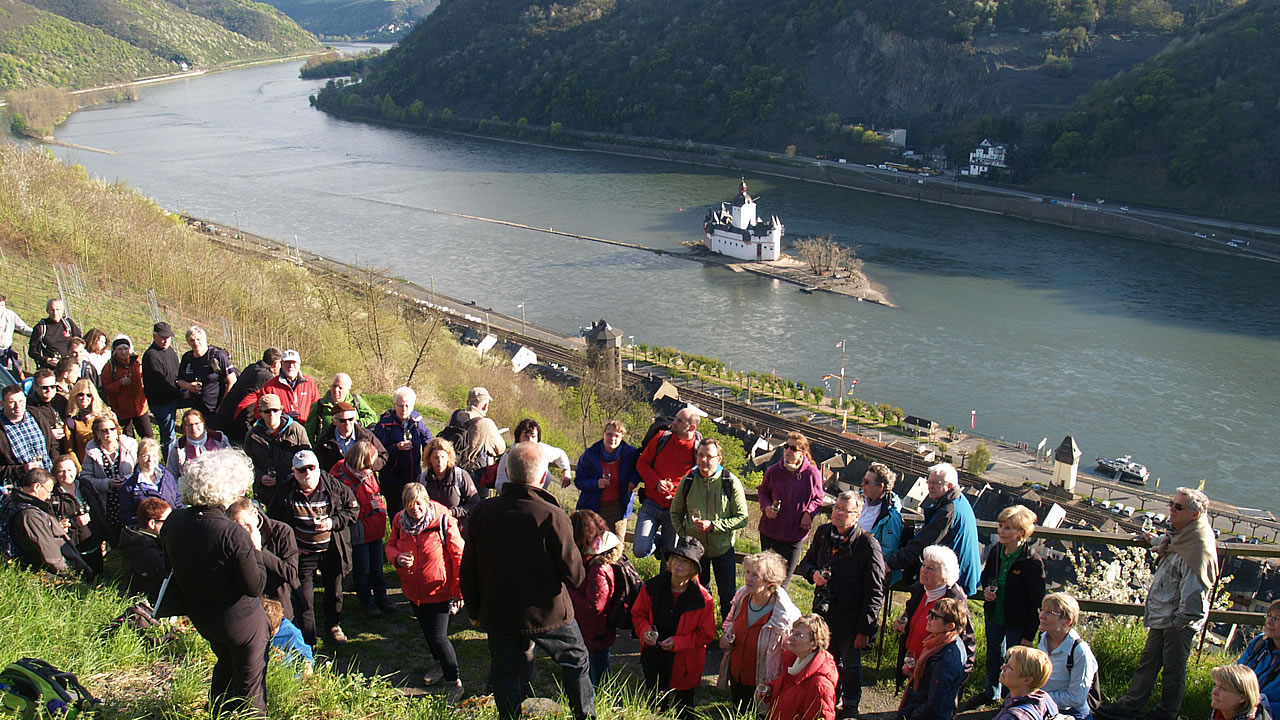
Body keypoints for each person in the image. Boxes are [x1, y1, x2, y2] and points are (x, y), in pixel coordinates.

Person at [460, 441, 595, 720]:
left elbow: (468, 567)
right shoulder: (554, 516)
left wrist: (474, 611)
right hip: (549, 612)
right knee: (576, 660)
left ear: (507, 474)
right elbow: (575, 575)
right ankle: (585, 716)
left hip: (499, 612)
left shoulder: (483, 512)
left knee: (505, 672)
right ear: (543, 477)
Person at [160, 448, 269, 716]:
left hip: (203, 616)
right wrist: (256, 548)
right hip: (241, 623)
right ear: (227, 489)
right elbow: (255, 586)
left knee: (224, 665)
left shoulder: (174, 521)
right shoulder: (232, 533)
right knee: (250, 688)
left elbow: (169, 566)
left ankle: (217, 712)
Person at [1096, 488, 1218, 720]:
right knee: (1148, 663)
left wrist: (1179, 623)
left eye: (1178, 507)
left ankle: (1165, 714)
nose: (1172, 508)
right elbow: (1174, 544)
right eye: (1172, 503)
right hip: (1165, 616)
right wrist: (1156, 540)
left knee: (1173, 671)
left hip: (1177, 621)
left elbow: (1194, 593)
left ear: (1195, 513)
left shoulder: (1198, 547)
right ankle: (1128, 708)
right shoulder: (1186, 536)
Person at [797, 490, 887, 718]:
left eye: (843, 510)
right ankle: (827, 700)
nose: (836, 513)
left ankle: (850, 707)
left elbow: (876, 590)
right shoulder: (824, 533)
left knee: (850, 666)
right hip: (825, 613)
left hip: (851, 616)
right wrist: (813, 574)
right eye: (836, 508)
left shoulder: (867, 545)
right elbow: (806, 562)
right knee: (824, 660)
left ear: (857, 515)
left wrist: (865, 629)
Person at [268, 449, 360, 647]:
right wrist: (291, 546)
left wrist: (332, 522)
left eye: (311, 468)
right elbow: (274, 522)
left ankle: (334, 626)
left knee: (334, 591)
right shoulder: (286, 491)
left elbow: (353, 510)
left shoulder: (334, 487)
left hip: (331, 549)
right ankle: (308, 638)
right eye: (301, 470)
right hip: (303, 553)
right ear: (294, 471)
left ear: (318, 468)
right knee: (304, 598)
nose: (307, 473)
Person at [386, 482, 465, 699]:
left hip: (439, 590)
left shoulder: (443, 520)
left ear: (426, 501)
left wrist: (458, 592)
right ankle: (439, 664)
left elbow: (459, 556)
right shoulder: (400, 521)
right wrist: (397, 558)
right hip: (414, 591)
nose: (415, 509)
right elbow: (390, 545)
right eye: (410, 505)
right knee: (428, 634)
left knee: (439, 637)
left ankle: (454, 680)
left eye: (419, 504)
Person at [633, 535, 717, 714]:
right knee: (655, 704)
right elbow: (638, 614)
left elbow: (706, 634)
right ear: (669, 561)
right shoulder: (652, 587)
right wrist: (645, 631)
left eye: (685, 561)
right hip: (654, 656)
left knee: (683, 708)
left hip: (684, 663)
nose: (679, 564)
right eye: (676, 558)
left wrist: (678, 643)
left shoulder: (704, 600)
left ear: (693, 568)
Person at [975, 505, 1047, 706]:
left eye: (1008, 528)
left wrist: (1029, 634)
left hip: (1017, 621)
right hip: (994, 615)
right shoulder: (997, 551)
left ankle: (1011, 699)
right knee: (993, 657)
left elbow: (1036, 602)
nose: (1001, 532)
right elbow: (987, 575)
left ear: (1021, 533)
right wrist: (986, 592)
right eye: (1000, 526)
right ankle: (991, 693)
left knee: (1014, 663)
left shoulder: (1031, 561)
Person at [670, 437, 748, 618]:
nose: (704, 460)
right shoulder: (688, 480)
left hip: (723, 548)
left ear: (718, 459)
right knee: (698, 594)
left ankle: (727, 635)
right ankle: (701, 632)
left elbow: (742, 518)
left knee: (728, 595)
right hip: (696, 551)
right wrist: (686, 537)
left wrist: (714, 526)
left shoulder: (730, 481)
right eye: (700, 455)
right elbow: (675, 513)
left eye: (709, 456)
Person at [719, 551, 803, 709]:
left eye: (755, 575)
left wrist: (776, 685)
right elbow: (730, 620)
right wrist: (726, 634)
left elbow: (790, 656)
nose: (748, 578)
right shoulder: (742, 596)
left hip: (764, 684)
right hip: (737, 675)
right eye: (748, 572)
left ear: (770, 581)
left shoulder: (785, 616)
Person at [885, 463, 981, 595]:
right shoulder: (957, 500)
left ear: (950, 486)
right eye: (929, 482)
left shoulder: (948, 511)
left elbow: (923, 544)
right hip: (960, 574)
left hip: (954, 580)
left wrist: (890, 564)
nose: (930, 486)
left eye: (936, 483)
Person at [894, 545, 977, 683]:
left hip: (936, 676)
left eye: (931, 568)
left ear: (946, 576)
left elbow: (967, 647)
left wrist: (953, 682)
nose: (923, 571)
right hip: (914, 668)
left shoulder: (954, 603)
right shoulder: (920, 591)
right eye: (923, 565)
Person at [332, 440, 393, 617]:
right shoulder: (341, 476)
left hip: (374, 524)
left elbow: (375, 493)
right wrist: (370, 507)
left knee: (377, 565)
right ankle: (367, 602)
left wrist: (378, 508)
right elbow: (347, 507)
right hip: (358, 527)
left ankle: (382, 599)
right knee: (362, 567)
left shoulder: (366, 473)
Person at [633, 407, 701, 559]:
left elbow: (701, 479)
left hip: (676, 511)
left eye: (679, 421)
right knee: (640, 549)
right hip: (651, 503)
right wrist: (657, 482)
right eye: (675, 418)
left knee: (670, 559)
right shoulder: (661, 438)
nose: (674, 423)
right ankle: (658, 542)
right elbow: (642, 463)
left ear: (692, 427)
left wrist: (680, 497)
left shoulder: (698, 450)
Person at [758, 432, 825, 577]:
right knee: (765, 577)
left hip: (794, 534)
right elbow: (763, 492)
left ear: (803, 453)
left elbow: (819, 498)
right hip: (770, 531)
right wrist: (766, 507)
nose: (788, 451)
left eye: (793, 448)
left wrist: (809, 513)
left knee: (783, 581)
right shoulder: (774, 471)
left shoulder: (812, 474)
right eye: (786, 446)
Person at [569, 519, 626, 687]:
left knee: (600, 671)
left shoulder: (598, 569)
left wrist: (569, 594)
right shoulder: (599, 562)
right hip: (595, 629)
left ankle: (607, 699)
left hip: (595, 630)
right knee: (597, 665)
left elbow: (594, 606)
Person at [4, 468, 91, 577]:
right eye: (48, 491)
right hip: (44, 573)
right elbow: (51, 555)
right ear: (36, 487)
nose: (48, 496)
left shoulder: (12, 501)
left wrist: (54, 527)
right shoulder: (30, 515)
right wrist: (70, 575)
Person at [227, 497, 300, 621]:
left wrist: (259, 550)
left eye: (245, 525)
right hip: (249, 604)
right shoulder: (232, 536)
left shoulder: (282, 531)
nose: (242, 531)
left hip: (279, 600)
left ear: (255, 513)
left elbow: (290, 573)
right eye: (236, 526)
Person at [899, 597, 970, 720]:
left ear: (949, 626)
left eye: (934, 616)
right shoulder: (941, 642)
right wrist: (914, 671)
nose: (928, 618)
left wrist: (912, 714)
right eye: (929, 613)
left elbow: (935, 704)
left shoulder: (946, 659)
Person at [372, 386, 434, 518]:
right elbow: (378, 452)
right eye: (400, 406)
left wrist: (430, 454)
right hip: (392, 481)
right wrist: (396, 448)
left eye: (407, 406)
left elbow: (429, 440)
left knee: (415, 513)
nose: (404, 409)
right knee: (397, 516)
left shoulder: (417, 422)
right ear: (394, 405)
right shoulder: (384, 425)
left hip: (413, 478)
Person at [574, 420, 639, 541]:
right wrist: (596, 483)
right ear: (603, 434)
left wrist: (633, 481)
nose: (612, 438)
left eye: (617, 436)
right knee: (588, 543)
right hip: (592, 506)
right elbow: (579, 481)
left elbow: (641, 466)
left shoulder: (629, 453)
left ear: (622, 438)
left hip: (618, 507)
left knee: (616, 545)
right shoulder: (590, 454)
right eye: (609, 434)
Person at [1037, 593, 1098, 720]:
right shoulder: (1042, 639)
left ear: (1067, 621)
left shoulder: (1080, 652)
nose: (1041, 616)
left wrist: (1040, 697)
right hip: (1043, 707)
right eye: (1042, 610)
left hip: (1071, 712)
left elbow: (1077, 698)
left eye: (1049, 613)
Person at [766, 614, 839, 720]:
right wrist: (770, 688)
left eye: (798, 634)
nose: (790, 638)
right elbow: (788, 688)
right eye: (792, 632)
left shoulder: (819, 686)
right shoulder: (795, 662)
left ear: (814, 643)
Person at [244, 394, 311, 507]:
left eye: (275, 410)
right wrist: (260, 477)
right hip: (266, 492)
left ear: (281, 410)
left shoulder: (296, 430)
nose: (272, 414)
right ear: (260, 413)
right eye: (267, 411)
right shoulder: (252, 435)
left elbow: (307, 459)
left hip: (293, 488)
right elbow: (247, 463)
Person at [49, 453, 109, 576]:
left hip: (93, 541)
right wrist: (69, 522)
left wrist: (105, 536)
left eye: (70, 470)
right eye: (61, 471)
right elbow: (50, 520)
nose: (66, 475)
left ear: (76, 469)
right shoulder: (52, 495)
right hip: (72, 546)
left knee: (99, 576)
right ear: (55, 473)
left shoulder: (85, 485)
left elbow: (99, 510)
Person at [0, 383, 61, 489]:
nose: (18, 406)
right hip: (23, 487)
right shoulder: (2, 429)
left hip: (50, 479)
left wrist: (56, 463)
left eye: (21, 401)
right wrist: (22, 469)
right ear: (2, 404)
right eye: (12, 402)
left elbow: (52, 444)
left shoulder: (36, 415)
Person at [419, 437, 483, 536]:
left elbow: (475, 503)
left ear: (448, 457)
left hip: (458, 530)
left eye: (443, 457)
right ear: (429, 459)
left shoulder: (460, 476)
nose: (440, 461)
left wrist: (452, 512)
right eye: (436, 457)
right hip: (431, 532)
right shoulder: (423, 479)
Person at [215, 348, 281, 441]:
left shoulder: (252, 367)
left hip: (226, 413)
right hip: (238, 420)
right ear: (276, 363)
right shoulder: (266, 376)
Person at [243, 349, 319, 426]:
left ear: (299, 364)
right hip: (280, 433)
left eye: (294, 362)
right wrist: (282, 418)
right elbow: (259, 412)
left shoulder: (309, 384)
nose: (291, 366)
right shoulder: (270, 387)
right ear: (281, 364)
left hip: (306, 432)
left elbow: (317, 408)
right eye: (287, 362)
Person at [117, 437, 182, 527]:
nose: (150, 460)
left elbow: (178, 500)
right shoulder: (131, 487)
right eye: (145, 456)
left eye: (154, 455)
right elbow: (127, 516)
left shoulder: (167, 476)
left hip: (173, 527)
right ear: (138, 457)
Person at [494, 418, 572, 491]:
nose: (530, 440)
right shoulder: (508, 456)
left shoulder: (542, 450)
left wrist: (566, 471)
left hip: (539, 500)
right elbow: (499, 484)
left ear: (538, 438)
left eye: (533, 436)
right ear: (518, 437)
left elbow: (561, 454)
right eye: (526, 436)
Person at [118, 497, 171, 603]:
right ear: (152, 523)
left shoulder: (134, 537)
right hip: (152, 599)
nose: (171, 524)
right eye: (167, 521)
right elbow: (167, 576)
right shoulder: (147, 551)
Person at [177, 326, 237, 419]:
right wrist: (188, 386)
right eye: (192, 340)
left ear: (204, 339)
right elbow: (179, 380)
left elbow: (232, 381)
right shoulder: (187, 358)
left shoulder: (217, 356)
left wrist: (222, 406)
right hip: (197, 409)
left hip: (215, 409)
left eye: (198, 339)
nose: (196, 343)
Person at [445, 386, 505, 476]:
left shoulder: (455, 415)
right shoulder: (487, 424)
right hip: (473, 473)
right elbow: (500, 449)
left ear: (467, 402)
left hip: (450, 467)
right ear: (485, 406)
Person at [100, 335, 152, 440]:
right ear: (114, 351)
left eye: (125, 349)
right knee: (127, 439)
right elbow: (105, 388)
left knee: (148, 436)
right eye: (120, 349)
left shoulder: (136, 362)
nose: (123, 352)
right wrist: (120, 383)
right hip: (122, 410)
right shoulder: (110, 367)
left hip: (140, 407)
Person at [314, 401, 387, 475]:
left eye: (350, 419)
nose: (347, 423)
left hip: (363, 482)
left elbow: (383, 456)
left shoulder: (367, 436)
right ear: (334, 421)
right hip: (337, 483)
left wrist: (367, 466)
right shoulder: (325, 442)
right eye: (342, 420)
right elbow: (319, 467)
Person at [861, 462, 904, 586]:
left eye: (867, 482)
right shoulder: (860, 498)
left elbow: (888, 549)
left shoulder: (890, 515)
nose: (862, 484)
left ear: (881, 486)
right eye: (863, 480)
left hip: (867, 570)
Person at [141, 322, 182, 450]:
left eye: (168, 338)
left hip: (174, 396)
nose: (165, 341)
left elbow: (177, 372)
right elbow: (161, 384)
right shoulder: (151, 355)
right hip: (161, 402)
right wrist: (181, 391)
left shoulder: (170, 351)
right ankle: (169, 463)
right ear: (155, 337)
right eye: (162, 337)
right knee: (169, 435)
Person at [1238, 600, 1280, 720]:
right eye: (1269, 616)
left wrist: (1259, 706)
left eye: (1277, 618)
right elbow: (1237, 672)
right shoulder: (1260, 643)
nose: (1269, 622)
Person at [992, 646, 1059, 720]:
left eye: (1010, 667)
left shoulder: (1012, 717)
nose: (1002, 667)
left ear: (1027, 680)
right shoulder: (1046, 700)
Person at [305, 373, 378, 440]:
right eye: (334, 386)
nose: (336, 390)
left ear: (348, 389)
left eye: (340, 387)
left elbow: (373, 417)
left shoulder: (356, 401)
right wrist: (315, 450)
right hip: (328, 448)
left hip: (353, 447)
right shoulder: (319, 405)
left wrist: (359, 423)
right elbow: (309, 432)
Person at [167, 409, 231, 475]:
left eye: (197, 423)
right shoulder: (179, 447)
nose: (194, 428)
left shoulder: (219, 439)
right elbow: (171, 473)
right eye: (190, 425)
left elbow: (231, 463)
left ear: (203, 423)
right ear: (184, 427)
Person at [27, 298, 81, 371]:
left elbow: (80, 342)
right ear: (47, 311)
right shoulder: (41, 328)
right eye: (52, 310)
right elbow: (32, 352)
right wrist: (47, 360)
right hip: (49, 369)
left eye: (57, 310)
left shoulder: (68, 324)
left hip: (68, 367)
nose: (55, 313)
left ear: (62, 311)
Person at [65, 378, 111, 462]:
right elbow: (69, 449)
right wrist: (79, 470)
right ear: (75, 396)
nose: (84, 398)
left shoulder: (103, 414)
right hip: (85, 464)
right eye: (80, 394)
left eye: (88, 395)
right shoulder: (71, 421)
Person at [0, 294, 33, 377]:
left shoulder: (10, 315)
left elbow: (23, 328)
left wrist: (37, 333)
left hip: (5, 351)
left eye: (2, 305)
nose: (1, 308)